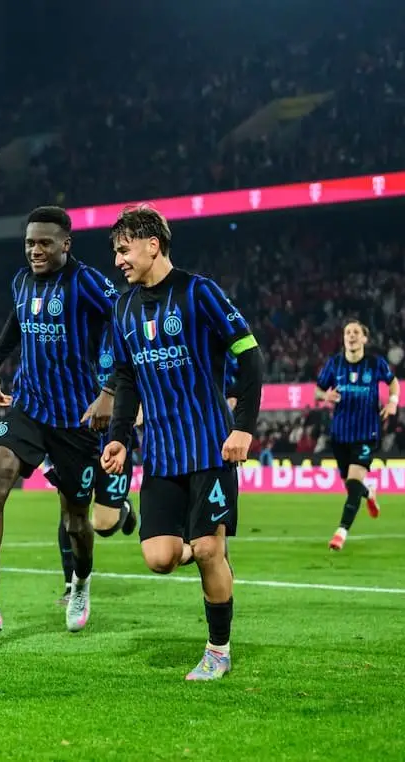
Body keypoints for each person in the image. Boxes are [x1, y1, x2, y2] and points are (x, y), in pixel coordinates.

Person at [101, 205, 263, 681]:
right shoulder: (123, 308)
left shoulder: (199, 292)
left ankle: (218, 650)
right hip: (162, 455)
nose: (118, 261)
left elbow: (249, 355)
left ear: (153, 245)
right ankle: (210, 548)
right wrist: (119, 438)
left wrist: (243, 426)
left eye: (124, 250)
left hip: (210, 447)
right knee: (160, 559)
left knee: (208, 549)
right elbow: (126, 378)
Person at [0, 206, 119, 654]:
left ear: (66, 244)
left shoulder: (86, 282)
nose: (35, 250)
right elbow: (16, 321)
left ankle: (80, 582)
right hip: (28, 408)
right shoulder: (21, 281)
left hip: (76, 419)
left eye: (45, 243)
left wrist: (109, 389)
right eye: (30, 243)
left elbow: (121, 319)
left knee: (76, 521)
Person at [45, 330, 138, 607]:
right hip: (74, 437)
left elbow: (136, 372)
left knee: (104, 526)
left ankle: (123, 508)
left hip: (114, 437)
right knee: (70, 511)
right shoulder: (68, 334)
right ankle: (70, 584)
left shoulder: (122, 330)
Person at [315, 320, 399, 550]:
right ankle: (369, 492)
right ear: (344, 338)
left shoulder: (375, 363)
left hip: (366, 432)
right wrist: (325, 396)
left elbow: (393, 383)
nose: (351, 336)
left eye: (355, 332)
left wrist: (392, 402)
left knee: (353, 482)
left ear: (364, 338)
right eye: (347, 333)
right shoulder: (334, 364)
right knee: (351, 484)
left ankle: (341, 532)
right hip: (340, 433)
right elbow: (317, 390)